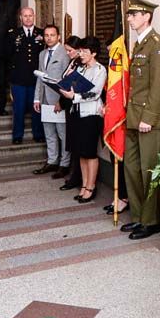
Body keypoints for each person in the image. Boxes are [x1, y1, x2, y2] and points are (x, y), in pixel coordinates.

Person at [121, 0, 160, 241]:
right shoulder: (140, 44)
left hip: (149, 120)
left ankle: (151, 222)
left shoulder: (157, 45)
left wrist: (148, 117)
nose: (129, 18)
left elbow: (158, 86)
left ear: (146, 16)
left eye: (133, 14)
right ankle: (138, 216)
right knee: (131, 168)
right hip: (134, 117)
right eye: (129, 15)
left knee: (148, 171)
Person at [58, 37, 107, 203]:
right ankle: (84, 184)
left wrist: (75, 96)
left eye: (85, 52)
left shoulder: (100, 70)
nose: (82, 54)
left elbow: (95, 93)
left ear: (93, 53)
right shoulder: (81, 68)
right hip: (77, 113)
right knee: (80, 152)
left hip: (91, 115)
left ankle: (91, 187)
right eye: (81, 51)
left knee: (90, 153)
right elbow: (71, 82)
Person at [33, 24, 71, 178]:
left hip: (59, 100)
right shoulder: (42, 54)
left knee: (63, 134)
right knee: (49, 133)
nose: (49, 38)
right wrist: (37, 98)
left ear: (59, 37)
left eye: (52, 35)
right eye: (46, 35)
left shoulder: (65, 54)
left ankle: (65, 164)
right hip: (45, 99)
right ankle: (52, 161)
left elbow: (68, 80)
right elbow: (40, 78)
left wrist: (62, 101)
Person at [8, 7, 45, 144]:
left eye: (30, 15)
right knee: (19, 108)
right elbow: (9, 57)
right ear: (20, 18)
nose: (28, 18)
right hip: (18, 78)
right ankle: (17, 135)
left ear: (34, 16)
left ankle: (38, 134)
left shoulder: (41, 33)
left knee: (37, 108)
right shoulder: (13, 34)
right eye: (25, 16)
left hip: (36, 79)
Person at [56, 35, 83, 189]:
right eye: (66, 50)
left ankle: (77, 177)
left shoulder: (82, 64)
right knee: (71, 141)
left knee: (77, 144)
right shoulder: (73, 62)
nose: (68, 53)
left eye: (70, 50)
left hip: (77, 106)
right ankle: (74, 175)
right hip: (69, 105)